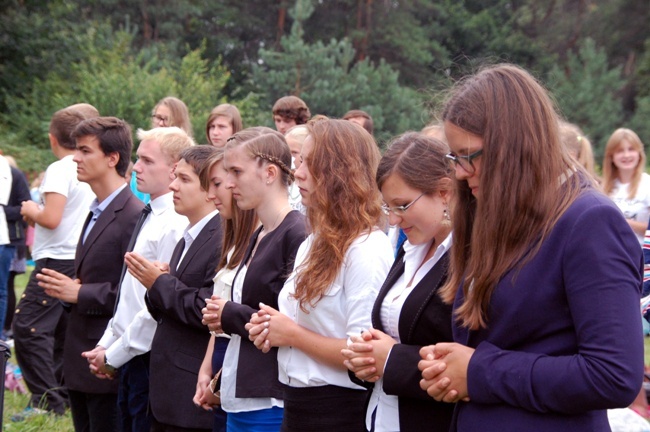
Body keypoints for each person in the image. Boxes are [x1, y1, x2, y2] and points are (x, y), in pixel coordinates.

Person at [418, 64, 643, 432]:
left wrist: (479, 372)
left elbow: (613, 374)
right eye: (453, 158)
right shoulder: (499, 213)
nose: (459, 172)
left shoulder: (589, 221)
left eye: (468, 156)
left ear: (513, 145)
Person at [245, 120, 392, 431]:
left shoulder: (366, 247)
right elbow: (300, 325)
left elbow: (365, 357)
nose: (298, 173)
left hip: (339, 413)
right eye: (300, 162)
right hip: (297, 408)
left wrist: (292, 335)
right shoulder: (313, 241)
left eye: (310, 164)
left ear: (342, 172)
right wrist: (271, 328)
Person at [341, 132, 455, 431]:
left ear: (444, 192)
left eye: (402, 206)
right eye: (388, 208)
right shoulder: (410, 250)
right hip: (381, 416)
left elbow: (464, 363)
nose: (393, 220)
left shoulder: (469, 259)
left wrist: (390, 360)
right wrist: (363, 359)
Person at [39, 116, 144, 432]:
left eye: (85, 151)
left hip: (107, 363)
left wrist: (79, 293)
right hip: (82, 361)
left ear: (112, 159)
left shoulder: (133, 216)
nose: (75, 157)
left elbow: (136, 295)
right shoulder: (96, 209)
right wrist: (70, 291)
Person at [84, 127, 193, 432]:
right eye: (138, 159)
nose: (136, 167)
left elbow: (155, 307)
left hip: (146, 356)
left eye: (147, 160)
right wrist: (107, 343)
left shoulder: (174, 223)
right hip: (128, 352)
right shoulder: (152, 213)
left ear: (174, 168)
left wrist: (115, 354)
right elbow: (129, 295)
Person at [201, 127, 307, 431]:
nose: (229, 183)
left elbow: (291, 322)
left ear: (270, 172)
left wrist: (227, 313)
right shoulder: (260, 232)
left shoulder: (296, 233)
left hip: (271, 397)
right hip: (243, 391)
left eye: (236, 171)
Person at [116, 145, 222, 431]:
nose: (173, 186)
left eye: (185, 180)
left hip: (189, 389)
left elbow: (208, 308)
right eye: (175, 177)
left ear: (210, 191)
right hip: (168, 387)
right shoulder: (190, 233)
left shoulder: (219, 238)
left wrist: (158, 282)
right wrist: (157, 285)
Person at [14, 103, 97, 419]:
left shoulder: (60, 168)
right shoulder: (89, 167)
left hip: (55, 258)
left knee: (28, 327)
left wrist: (29, 210)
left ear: (53, 139)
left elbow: (50, 218)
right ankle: (60, 393)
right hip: (78, 256)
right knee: (62, 333)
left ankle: (46, 401)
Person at [192, 149, 258, 431]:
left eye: (217, 184)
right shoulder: (231, 243)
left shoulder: (261, 243)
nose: (210, 195)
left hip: (241, 366)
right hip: (220, 358)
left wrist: (219, 379)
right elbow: (216, 318)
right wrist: (206, 368)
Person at [602, 128, 650, 246]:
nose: (626, 155)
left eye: (631, 149)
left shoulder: (647, 184)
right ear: (611, 156)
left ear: (639, 153)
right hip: (611, 256)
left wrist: (623, 222)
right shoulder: (602, 188)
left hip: (642, 259)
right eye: (620, 151)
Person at [3, 157, 31, 339]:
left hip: (11, 240)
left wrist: (2, 212)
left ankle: (6, 329)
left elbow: (25, 208)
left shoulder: (16, 176)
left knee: (6, 286)